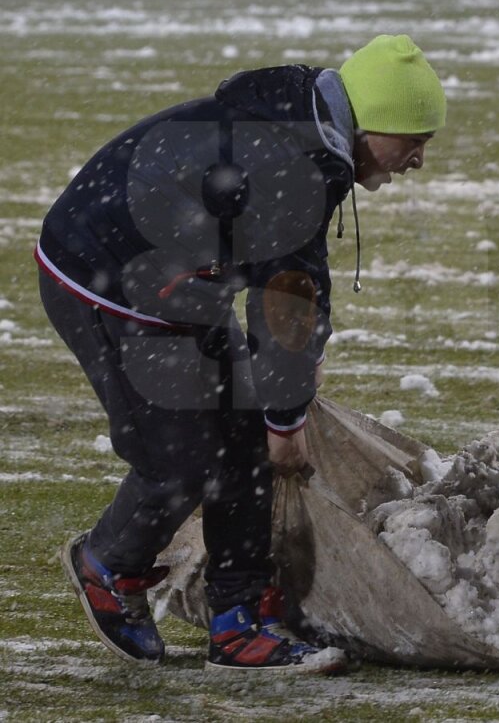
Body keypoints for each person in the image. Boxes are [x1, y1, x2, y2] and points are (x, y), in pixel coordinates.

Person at [36, 34, 446, 670]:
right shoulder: (292, 163)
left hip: (183, 281)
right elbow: (287, 299)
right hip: (101, 280)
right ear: (371, 123)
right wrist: (288, 422)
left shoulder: (311, 136)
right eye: (414, 139)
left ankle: (238, 620)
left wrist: (286, 398)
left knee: (245, 435)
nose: (418, 158)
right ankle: (108, 564)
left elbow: (295, 288)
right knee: (182, 458)